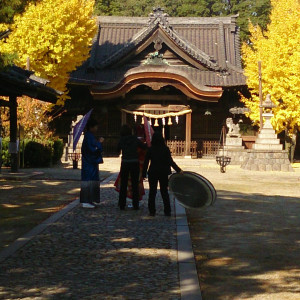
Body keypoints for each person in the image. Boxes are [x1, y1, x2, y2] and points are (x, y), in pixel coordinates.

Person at [143, 132, 182, 216]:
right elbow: (170, 161)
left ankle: (152, 210)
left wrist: (143, 174)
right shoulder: (165, 149)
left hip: (153, 171)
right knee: (164, 191)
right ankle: (167, 211)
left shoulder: (151, 149)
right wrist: (178, 170)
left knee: (152, 192)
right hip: (163, 172)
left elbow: (146, 162)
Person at [117, 124, 146, 210]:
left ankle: (122, 204)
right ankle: (135, 204)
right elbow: (144, 147)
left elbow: (117, 150)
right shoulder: (135, 139)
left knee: (123, 184)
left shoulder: (121, 140)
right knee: (135, 184)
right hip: (134, 162)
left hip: (125, 162)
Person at [80, 119, 104, 209]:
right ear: (91, 127)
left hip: (89, 162)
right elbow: (93, 149)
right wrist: (100, 143)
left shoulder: (89, 136)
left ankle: (89, 200)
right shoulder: (89, 136)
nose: (97, 128)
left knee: (91, 180)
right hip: (89, 162)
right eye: (95, 126)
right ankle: (86, 201)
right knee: (88, 180)